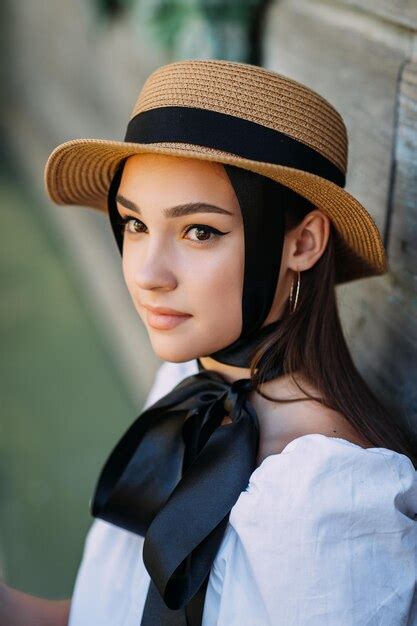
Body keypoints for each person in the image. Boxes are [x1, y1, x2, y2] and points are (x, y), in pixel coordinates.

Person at [3, 59, 416, 625]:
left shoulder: (324, 500)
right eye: (134, 224)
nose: (148, 273)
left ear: (303, 243)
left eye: (200, 231)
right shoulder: (188, 385)